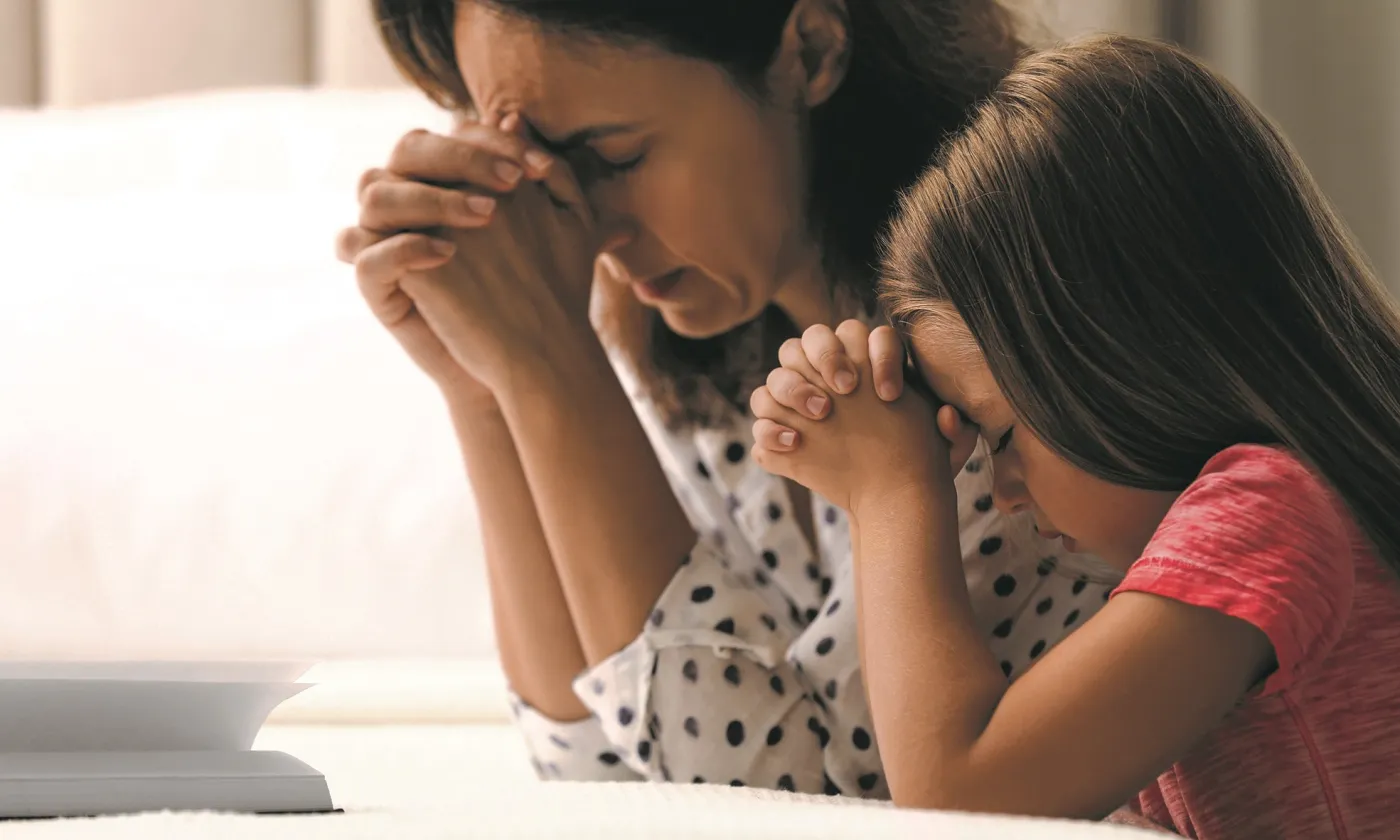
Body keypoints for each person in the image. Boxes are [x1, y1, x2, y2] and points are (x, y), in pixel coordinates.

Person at [334, 0, 1119, 796]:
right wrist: (485, 390)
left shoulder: (1003, 363)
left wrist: (550, 368)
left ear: (810, 49)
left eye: (613, 156)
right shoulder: (733, 353)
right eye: (550, 177)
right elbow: (595, 771)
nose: (588, 231)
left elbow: (789, 807)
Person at [750, 34, 1400, 837]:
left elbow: (961, 800)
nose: (1002, 491)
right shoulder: (1292, 514)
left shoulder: (1271, 509)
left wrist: (891, 492)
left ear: (1123, 353)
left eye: (1001, 434)